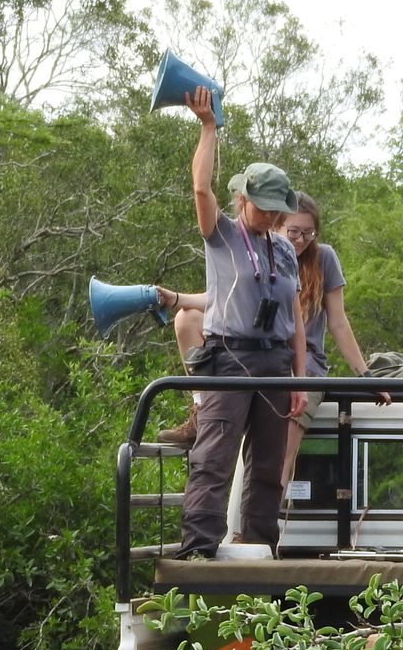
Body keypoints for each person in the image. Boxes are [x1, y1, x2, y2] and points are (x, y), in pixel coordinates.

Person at [155, 194, 390, 488]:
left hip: (300, 366)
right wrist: (177, 299)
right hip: (250, 357)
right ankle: (201, 410)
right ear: (277, 227)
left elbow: (339, 322)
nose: (301, 239)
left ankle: (254, 529)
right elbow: (224, 302)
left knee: (277, 456)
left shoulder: (323, 258)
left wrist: (365, 375)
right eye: (294, 232)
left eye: (308, 232)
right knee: (186, 318)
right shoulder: (256, 250)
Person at [172, 85, 306, 559]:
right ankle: (199, 550)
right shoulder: (223, 236)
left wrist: (299, 379)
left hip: (274, 361)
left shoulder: (284, 247)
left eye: (277, 207)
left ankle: (259, 550)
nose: (270, 213)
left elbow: (294, 316)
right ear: (243, 198)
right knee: (215, 457)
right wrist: (209, 126)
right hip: (230, 356)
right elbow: (200, 188)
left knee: (268, 465)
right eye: (263, 204)